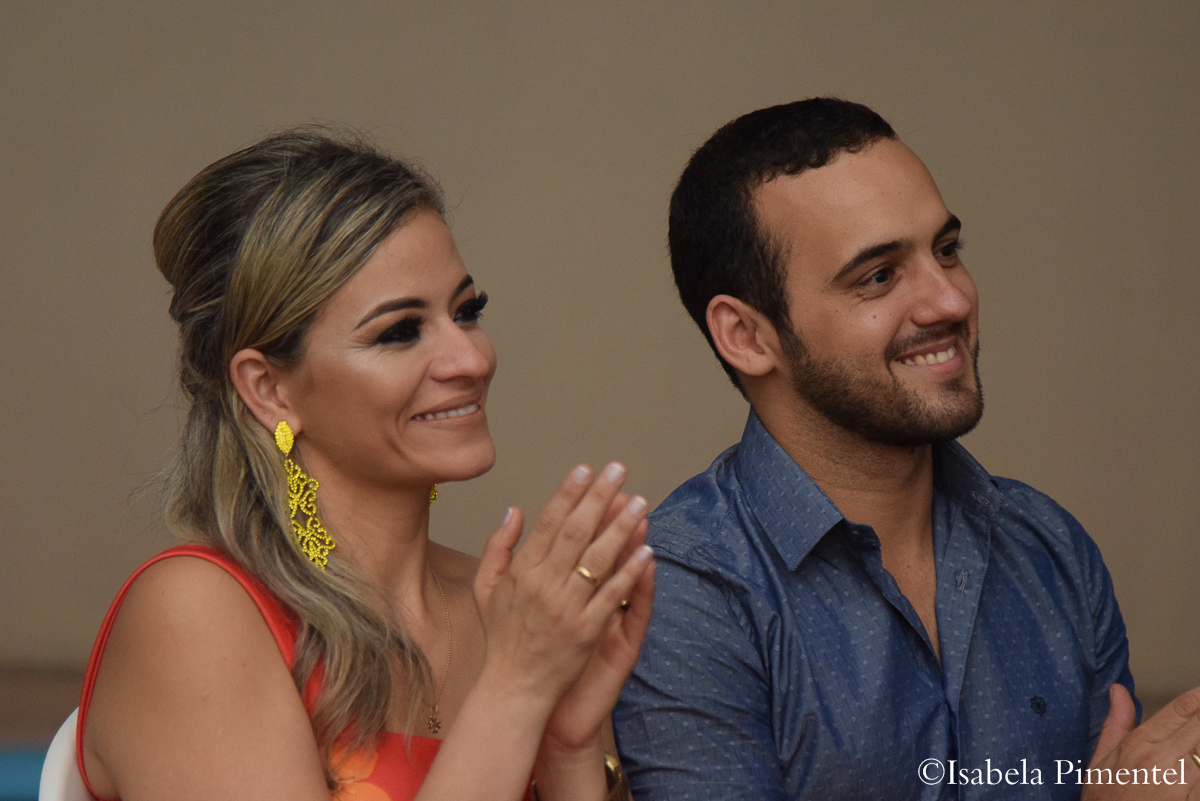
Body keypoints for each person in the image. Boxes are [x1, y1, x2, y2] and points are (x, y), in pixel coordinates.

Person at [76, 129, 655, 801]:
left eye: (467, 312)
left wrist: (569, 749)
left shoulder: (508, 611)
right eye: (399, 331)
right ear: (270, 389)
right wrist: (517, 688)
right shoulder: (197, 614)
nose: (472, 359)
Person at [612, 98, 1164, 799]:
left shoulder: (1050, 549)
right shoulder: (685, 591)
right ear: (747, 336)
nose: (950, 301)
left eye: (947, 250)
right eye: (878, 275)